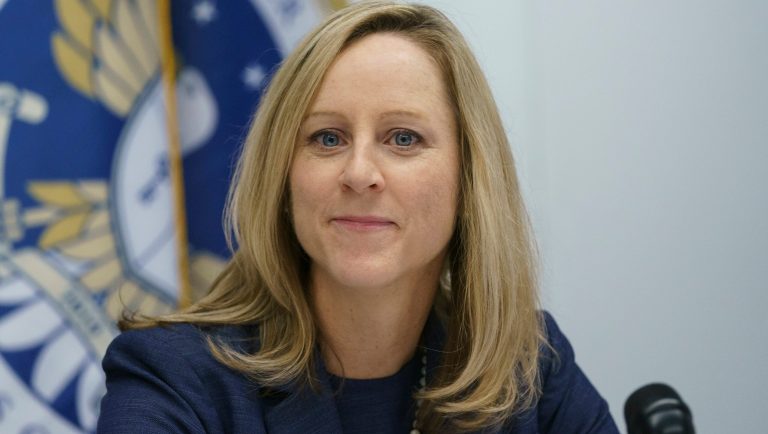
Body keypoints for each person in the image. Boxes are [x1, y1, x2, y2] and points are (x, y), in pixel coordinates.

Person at [97, 2, 619, 433]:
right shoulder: (173, 377)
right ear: (284, 176)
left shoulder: (530, 368)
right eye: (328, 138)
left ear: (470, 179)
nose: (360, 172)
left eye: (403, 138)